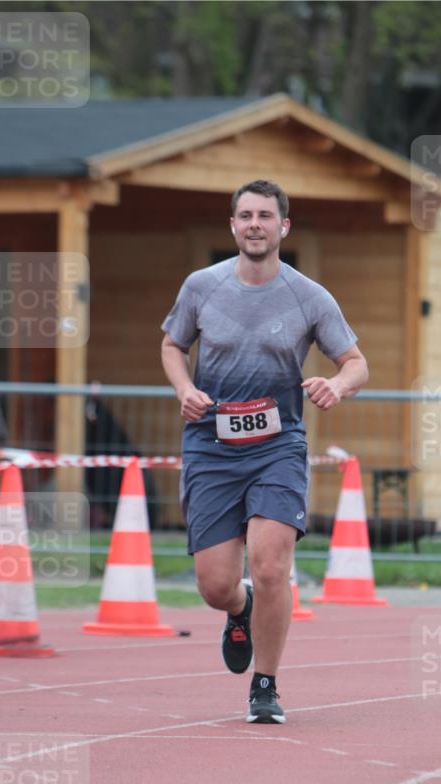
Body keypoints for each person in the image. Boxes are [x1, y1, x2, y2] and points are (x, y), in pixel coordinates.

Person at [161, 179, 368, 722]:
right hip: (211, 446)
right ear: (232, 226)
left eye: (265, 216)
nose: (255, 224)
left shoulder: (308, 296)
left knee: (271, 564)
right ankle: (239, 608)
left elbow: (356, 362)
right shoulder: (201, 287)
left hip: (278, 445)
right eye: (246, 215)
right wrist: (185, 389)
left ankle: (266, 684)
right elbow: (172, 345)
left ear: (284, 227)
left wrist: (337, 386)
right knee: (215, 585)